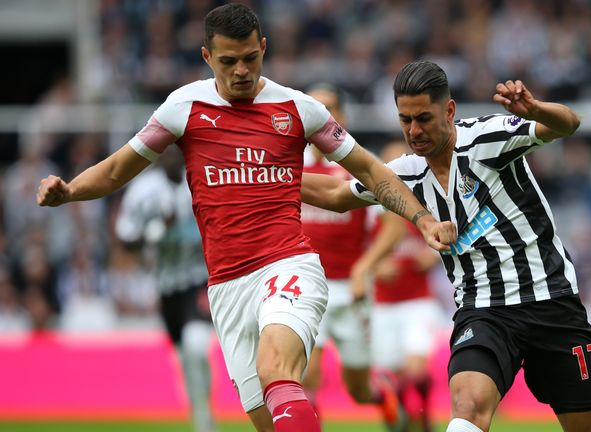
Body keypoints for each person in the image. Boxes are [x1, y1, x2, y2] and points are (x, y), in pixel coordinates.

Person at [36, 5, 456, 431]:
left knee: (280, 368)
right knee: (268, 418)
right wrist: (69, 191)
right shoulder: (183, 108)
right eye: (228, 61)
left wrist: (421, 218)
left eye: (250, 58)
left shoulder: (299, 109)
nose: (241, 71)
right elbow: (114, 171)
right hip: (227, 286)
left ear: (264, 49)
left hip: (289, 265)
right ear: (206, 57)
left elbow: (368, 170)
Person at [301, 60, 591, 432]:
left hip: (550, 301)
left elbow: (569, 124)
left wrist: (536, 109)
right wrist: (266, 174)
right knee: (467, 405)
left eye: (424, 118)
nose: (414, 131)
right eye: (405, 120)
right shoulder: (407, 172)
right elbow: (336, 192)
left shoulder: (487, 140)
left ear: (449, 110)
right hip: (483, 310)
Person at [299, 83, 407, 431]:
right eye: (311, 108)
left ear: (340, 117)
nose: (317, 115)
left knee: (358, 389)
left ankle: (382, 394)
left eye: (327, 108)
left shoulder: (358, 166)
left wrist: (367, 265)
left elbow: (394, 225)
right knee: (307, 374)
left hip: (351, 289)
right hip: (303, 287)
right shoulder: (287, 165)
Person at [115, 146, 216, 432]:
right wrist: (158, 228)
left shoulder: (201, 181)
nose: (173, 158)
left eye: (178, 151)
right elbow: (125, 238)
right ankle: (199, 407)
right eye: (167, 152)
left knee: (197, 345)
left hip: (200, 277)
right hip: (165, 283)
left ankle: (205, 415)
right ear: (159, 156)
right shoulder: (144, 191)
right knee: (184, 355)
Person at [348, 139, 446, 432]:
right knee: (393, 377)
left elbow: (448, 236)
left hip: (418, 300)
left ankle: (423, 419)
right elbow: (353, 248)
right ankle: (404, 422)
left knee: (416, 372)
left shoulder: (426, 202)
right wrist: (376, 265)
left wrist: (433, 255)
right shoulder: (369, 206)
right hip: (381, 305)